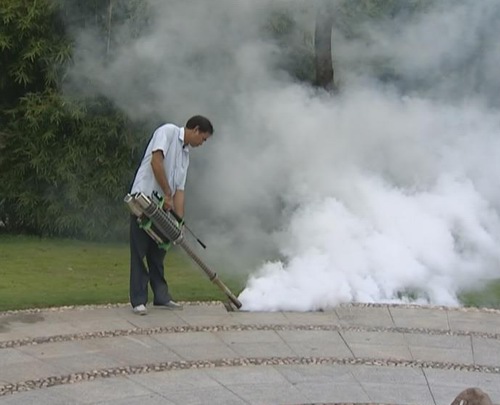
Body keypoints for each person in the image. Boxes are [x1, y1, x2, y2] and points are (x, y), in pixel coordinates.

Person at [128, 115, 213, 315]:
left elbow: (180, 191)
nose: (202, 143)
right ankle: (138, 300)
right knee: (140, 251)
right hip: (144, 200)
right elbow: (156, 162)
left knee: (158, 253)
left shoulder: (185, 155)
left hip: (163, 208)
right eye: (204, 139)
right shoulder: (167, 131)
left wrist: (178, 222)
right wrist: (167, 193)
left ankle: (161, 296)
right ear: (196, 130)